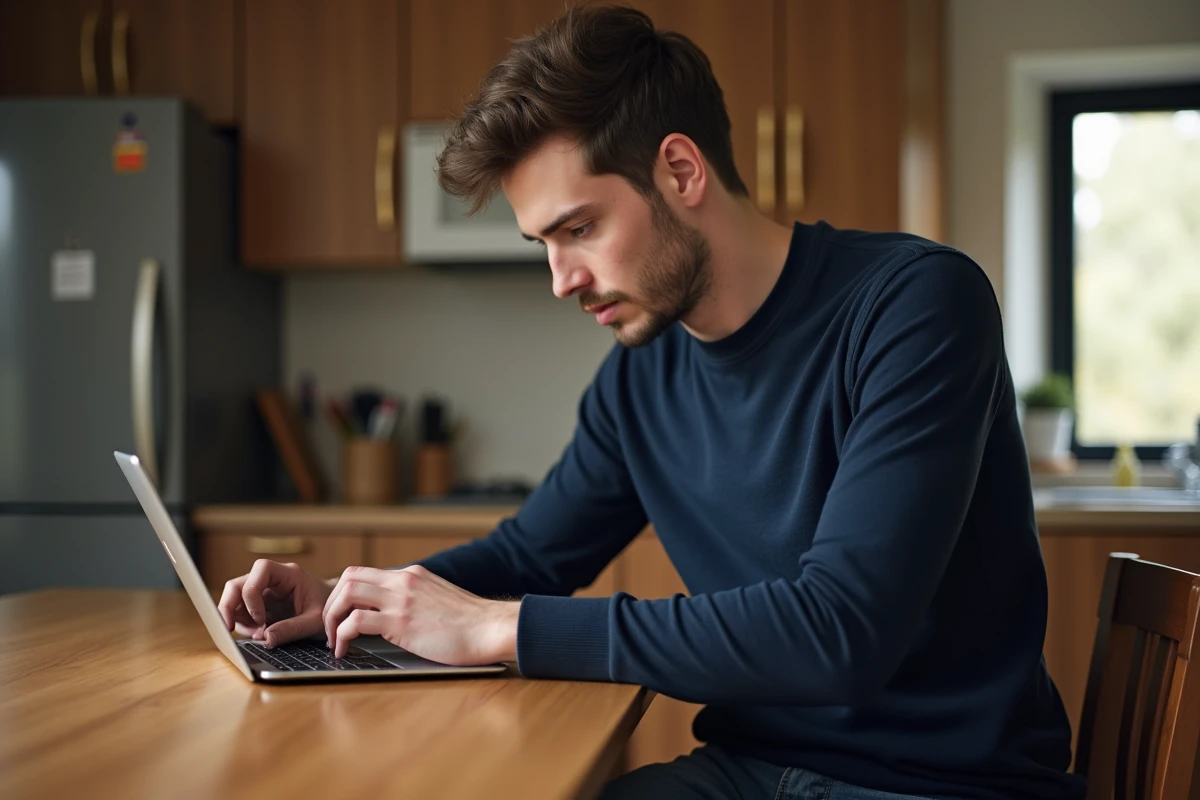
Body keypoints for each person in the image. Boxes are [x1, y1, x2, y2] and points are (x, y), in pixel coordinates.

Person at [219, 6, 1085, 799]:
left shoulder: (915, 305)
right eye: (543, 245)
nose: (562, 281)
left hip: (941, 785)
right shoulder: (641, 377)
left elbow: (840, 634)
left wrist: (503, 631)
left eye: (580, 229)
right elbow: (530, 556)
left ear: (680, 169)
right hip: (747, 773)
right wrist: (348, 602)